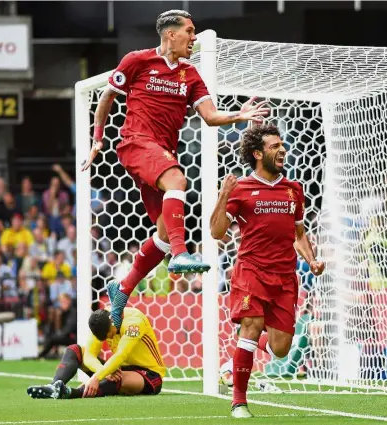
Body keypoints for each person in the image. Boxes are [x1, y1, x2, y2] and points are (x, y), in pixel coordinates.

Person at [81, 9, 270, 331]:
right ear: (171, 34)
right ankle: (182, 254)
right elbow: (108, 96)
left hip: (162, 153)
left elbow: (210, 116)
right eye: (190, 31)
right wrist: (97, 141)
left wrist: (239, 115)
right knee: (178, 179)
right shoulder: (137, 60)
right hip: (136, 143)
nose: (194, 39)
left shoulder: (190, 75)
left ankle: (122, 287)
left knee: (166, 233)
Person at [210, 124, 325, 418]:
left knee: (281, 348)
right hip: (251, 271)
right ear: (258, 154)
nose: (282, 150)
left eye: (282, 145)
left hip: (285, 277)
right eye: (275, 146)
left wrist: (311, 260)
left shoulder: (294, 190)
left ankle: (236, 358)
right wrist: (223, 196)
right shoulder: (242, 189)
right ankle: (238, 402)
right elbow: (216, 232)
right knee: (250, 325)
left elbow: (299, 234)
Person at [28, 304, 165, 399]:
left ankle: (71, 393)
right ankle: (54, 387)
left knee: (118, 377)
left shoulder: (133, 323)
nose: (109, 338)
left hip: (149, 374)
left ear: (113, 324)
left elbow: (121, 354)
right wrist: (103, 371)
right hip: (120, 368)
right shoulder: (101, 319)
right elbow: (88, 355)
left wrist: (96, 377)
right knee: (75, 350)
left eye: (108, 335)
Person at [38, 293, 77, 359]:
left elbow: (69, 329)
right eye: (61, 302)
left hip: (73, 338)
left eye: (64, 301)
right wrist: (56, 318)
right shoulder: (60, 312)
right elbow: (52, 327)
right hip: (63, 335)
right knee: (49, 336)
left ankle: (41, 356)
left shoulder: (73, 312)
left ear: (69, 301)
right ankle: (45, 354)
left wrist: (58, 335)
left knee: (52, 339)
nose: (63, 304)